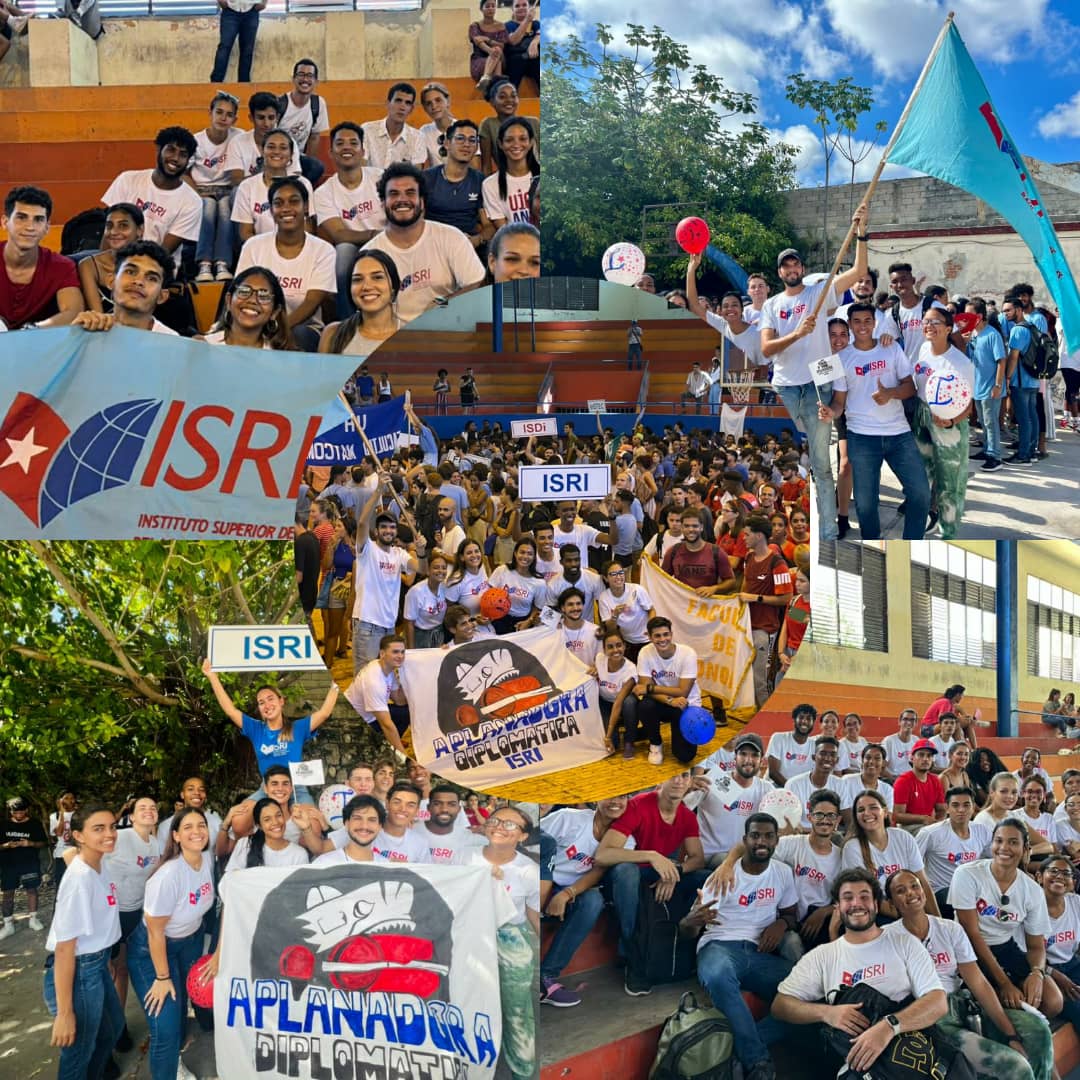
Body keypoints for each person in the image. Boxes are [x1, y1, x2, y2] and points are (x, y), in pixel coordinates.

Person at [772, 869, 948, 1076]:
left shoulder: (904, 942)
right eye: (848, 898)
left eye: (864, 897)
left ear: (876, 905)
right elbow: (780, 1005)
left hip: (915, 1053)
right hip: (861, 1067)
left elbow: (938, 1002)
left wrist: (889, 1027)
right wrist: (827, 1013)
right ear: (838, 907)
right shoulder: (822, 956)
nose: (856, 904)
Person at [885, 868, 1054, 1080]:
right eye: (901, 891)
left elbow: (978, 983)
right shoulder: (888, 938)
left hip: (963, 1004)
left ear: (924, 891)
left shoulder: (949, 929)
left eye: (914, 886)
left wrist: (1010, 1033)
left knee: (1038, 1031)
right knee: (1016, 1067)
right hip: (933, 1018)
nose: (910, 893)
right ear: (891, 903)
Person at [681, 813, 796, 1080]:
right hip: (719, 946)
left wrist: (781, 924)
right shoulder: (722, 876)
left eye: (768, 836)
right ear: (745, 840)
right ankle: (757, 1062)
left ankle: (738, 1048)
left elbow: (791, 914)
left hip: (760, 953)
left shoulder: (782, 872)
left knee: (809, 992)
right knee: (718, 976)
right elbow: (688, 930)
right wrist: (690, 921)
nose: (761, 841)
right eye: (755, 835)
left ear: (776, 841)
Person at [818, 303, 931, 539]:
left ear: (874, 323)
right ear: (851, 325)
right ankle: (871, 544)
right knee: (865, 505)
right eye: (857, 321)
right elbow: (839, 401)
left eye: (867, 321)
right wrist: (831, 412)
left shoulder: (891, 348)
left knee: (921, 494)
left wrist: (891, 393)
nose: (862, 326)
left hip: (898, 434)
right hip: (861, 436)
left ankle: (911, 544)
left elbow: (910, 387)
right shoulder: (840, 359)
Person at [593, 772, 706, 995]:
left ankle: (684, 947)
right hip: (630, 875)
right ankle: (633, 955)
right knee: (626, 871)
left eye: (684, 776)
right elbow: (603, 855)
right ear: (659, 779)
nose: (678, 781)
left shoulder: (686, 816)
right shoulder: (638, 805)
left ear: (690, 782)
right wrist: (652, 856)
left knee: (705, 878)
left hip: (659, 874)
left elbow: (697, 859)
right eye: (672, 775)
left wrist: (673, 872)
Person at [126, 807, 215, 1080]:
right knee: (165, 1026)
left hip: (190, 942)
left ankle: (174, 1060)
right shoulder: (167, 876)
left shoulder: (206, 859)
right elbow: (155, 932)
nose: (197, 831)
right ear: (175, 835)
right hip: (153, 950)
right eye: (188, 827)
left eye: (201, 825)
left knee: (180, 1010)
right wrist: (162, 977)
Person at [948, 819, 1063, 1023]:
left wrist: (1037, 973)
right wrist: (1005, 983)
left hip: (1005, 947)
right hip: (967, 948)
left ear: (1025, 849)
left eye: (1013, 842)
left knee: (1053, 1001)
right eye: (998, 841)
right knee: (1000, 1001)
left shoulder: (1032, 890)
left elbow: (1036, 946)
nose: (1004, 848)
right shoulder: (967, 874)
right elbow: (972, 934)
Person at [41, 804, 124, 1080]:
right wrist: (65, 1013)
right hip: (79, 969)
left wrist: (105, 959)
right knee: (79, 1051)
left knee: (111, 1031)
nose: (109, 834)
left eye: (112, 826)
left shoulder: (99, 863)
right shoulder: (79, 880)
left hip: (97, 962)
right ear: (78, 835)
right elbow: (65, 948)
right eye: (98, 829)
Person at [457, 806, 538, 1080]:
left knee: (516, 1011)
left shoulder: (528, 871)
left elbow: (534, 915)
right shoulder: (464, 857)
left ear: (523, 836)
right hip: (468, 938)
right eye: (496, 820)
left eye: (511, 825)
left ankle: (522, 1072)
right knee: (467, 1005)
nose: (500, 827)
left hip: (510, 942)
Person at [201, 658, 337, 814]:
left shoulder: (297, 728)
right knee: (239, 818)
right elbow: (231, 710)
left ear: (281, 701)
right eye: (261, 702)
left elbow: (324, 713)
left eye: (270, 699)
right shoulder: (255, 729)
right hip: (267, 788)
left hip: (296, 787)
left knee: (312, 820)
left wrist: (336, 684)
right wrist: (212, 676)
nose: (267, 705)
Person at [361, 163, 486, 322]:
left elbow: (478, 286)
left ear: (422, 201)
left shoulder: (451, 237)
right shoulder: (370, 254)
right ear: (383, 203)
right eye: (393, 194)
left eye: (410, 193)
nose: (402, 199)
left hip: (446, 327)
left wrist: (443, 303)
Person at [540, 796, 629, 1007]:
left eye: (622, 796)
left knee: (593, 900)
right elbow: (530, 843)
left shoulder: (627, 838)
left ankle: (545, 979)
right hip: (538, 881)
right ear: (596, 798)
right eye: (609, 794)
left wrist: (565, 894)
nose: (615, 801)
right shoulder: (568, 818)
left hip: (569, 891)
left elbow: (598, 871)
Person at [235, 176, 336, 351]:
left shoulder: (323, 250)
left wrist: (274, 330)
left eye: (294, 201)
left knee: (298, 334)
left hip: (303, 328)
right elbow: (241, 294)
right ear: (271, 210)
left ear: (306, 207)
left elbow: (312, 302)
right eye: (278, 203)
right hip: (255, 324)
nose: (286, 208)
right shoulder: (253, 246)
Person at [101, 794, 160, 1051]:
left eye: (153, 807)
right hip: (112, 913)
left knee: (122, 970)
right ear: (131, 816)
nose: (149, 810)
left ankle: (118, 1024)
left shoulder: (155, 844)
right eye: (142, 808)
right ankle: (107, 1032)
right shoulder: (121, 837)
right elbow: (75, 855)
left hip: (135, 913)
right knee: (109, 972)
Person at [911, 305, 976, 538]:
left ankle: (948, 530)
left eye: (935, 322)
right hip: (922, 415)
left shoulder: (960, 363)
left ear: (949, 329)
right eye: (926, 321)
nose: (929, 326)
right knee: (921, 475)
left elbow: (969, 405)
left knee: (950, 480)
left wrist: (951, 421)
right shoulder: (923, 349)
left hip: (949, 424)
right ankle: (927, 517)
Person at [314, 122, 387, 320]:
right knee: (343, 253)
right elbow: (339, 234)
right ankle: (348, 323)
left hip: (388, 240)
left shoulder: (380, 178)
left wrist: (385, 237)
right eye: (340, 143)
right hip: (355, 245)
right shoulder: (323, 193)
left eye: (353, 143)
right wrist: (374, 234)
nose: (347, 147)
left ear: (363, 151)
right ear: (331, 152)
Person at [102, 128, 202, 257]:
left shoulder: (192, 202)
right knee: (79, 261)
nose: (175, 158)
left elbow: (164, 252)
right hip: (115, 259)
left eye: (183, 154)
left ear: (188, 160)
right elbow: (109, 233)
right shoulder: (127, 180)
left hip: (154, 264)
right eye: (171, 150)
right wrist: (101, 264)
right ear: (159, 150)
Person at [0, 186, 83, 329]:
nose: (30, 227)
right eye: (21, 218)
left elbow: (73, 313)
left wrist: (34, 329)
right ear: (5, 222)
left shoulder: (61, 266)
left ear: (47, 227)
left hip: (38, 338)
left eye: (38, 220)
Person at [634, 616, 705, 766]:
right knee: (645, 706)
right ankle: (655, 743)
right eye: (657, 636)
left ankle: (679, 734)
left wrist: (651, 688)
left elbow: (683, 692)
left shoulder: (688, 653)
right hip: (665, 702)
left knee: (685, 756)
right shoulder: (645, 653)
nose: (662, 639)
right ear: (649, 637)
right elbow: (645, 687)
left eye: (666, 634)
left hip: (685, 704)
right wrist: (670, 700)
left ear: (671, 634)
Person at [737, 516, 794, 707]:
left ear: (759, 536)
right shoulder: (748, 558)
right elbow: (745, 586)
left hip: (766, 628)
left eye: (747, 534)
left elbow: (786, 598)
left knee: (760, 679)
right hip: (747, 624)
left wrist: (756, 598)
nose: (743, 538)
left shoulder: (777, 564)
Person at [71, 240, 179, 336]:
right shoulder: (90, 329)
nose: (138, 281)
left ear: (162, 296)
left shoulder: (173, 344)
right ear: (111, 281)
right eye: (130, 272)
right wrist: (75, 336)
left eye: (152, 278)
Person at [187, 92, 240, 283]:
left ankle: (223, 263)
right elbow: (184, 173)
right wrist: (196, 194)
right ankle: (204, 264)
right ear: (210, 113)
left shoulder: (239, 137)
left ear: (235, 119)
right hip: (201, 190)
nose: (223, 118)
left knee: (225, 207)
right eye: (219, 112)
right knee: (208, 207)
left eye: (229, 114)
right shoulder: (196, 141)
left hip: (227, 189)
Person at [231, 128, 314, 241]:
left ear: (291, 154)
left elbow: (308, 229)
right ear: (262, 151)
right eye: (271, 147)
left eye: (283, 148)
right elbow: (245, 233)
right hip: (260, 249)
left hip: (297, 247)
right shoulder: (247, 187)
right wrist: (266, 249)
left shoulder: (304, 184)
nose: (276, 152)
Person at [318, 249, 402, 356]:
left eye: (377, 277)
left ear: (393, 287)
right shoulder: (332, 334)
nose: (366, 286)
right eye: (357, 279)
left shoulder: (414, 336)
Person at [423, 118, 491, 251]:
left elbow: (488, 225)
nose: (466, 144)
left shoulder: (480, 180)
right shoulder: (427, 178)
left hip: (468, 246)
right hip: (433, 245)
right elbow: (417, 222)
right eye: (460, 138)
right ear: (447, 143)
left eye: (472, 140)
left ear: (476, 147)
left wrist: (476, 240)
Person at [200, 266, 294, 350]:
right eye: (244, 291)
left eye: (263, 296)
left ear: (274, 312)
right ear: (229, 301)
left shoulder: (283, 357)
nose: (252, 300)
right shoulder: (202, 346)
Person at [78, 202, 145, 312]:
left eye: (123, 226)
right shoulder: (88, 265)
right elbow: (97, 314)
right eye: (109, 226)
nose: (113, 232)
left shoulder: (150, 263)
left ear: (139, 230)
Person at [966, 297, 1007, 471]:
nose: (965, 318)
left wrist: (998, 385)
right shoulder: (973, 334)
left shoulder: (992, 334)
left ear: (979, 316)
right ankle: (986, 449)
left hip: (990, 388)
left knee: (991, 423)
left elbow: (1001, 361)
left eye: (969, 315)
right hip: (978, 386)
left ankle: (995, 456)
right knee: (983, 422)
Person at [1002, 293, 1042, 466]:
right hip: (1033, 379)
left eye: (1008, 310)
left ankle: (1023, 455)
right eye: (1004, 311)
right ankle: (1032, 452)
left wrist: (1007, 377)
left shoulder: (1018, 330)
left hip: (1020, 381)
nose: (1005, 314)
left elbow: (1013, 357)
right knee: (1032, 416)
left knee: (1024, 419)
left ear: (1018, 310)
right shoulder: (1032, 327)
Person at [0, 796, 48, 938]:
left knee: (32, 890)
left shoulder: (34, 824)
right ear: (10, 812)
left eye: (21, 812)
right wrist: (6, 845)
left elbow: (43, 843)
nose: (18, 815)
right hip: (8, 864)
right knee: (8, 893)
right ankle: (8, 925)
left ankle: (33, 920)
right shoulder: (3, 825)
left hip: (29, 862)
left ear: (26, 810)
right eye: (15, 812)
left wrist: (30, 843)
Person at [661, 508, 736, 598]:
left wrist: (714, 588)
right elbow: (662, 579)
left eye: (695, 526)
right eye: (686, 526)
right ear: (682, 527)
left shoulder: (716, 552)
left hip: (706, 604)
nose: (690, 529)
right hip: (680, 603)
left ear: (701, 527)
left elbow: (731, 582)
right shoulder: (673, 551)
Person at [223, 796, 308, 873]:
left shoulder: (299, 854)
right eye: (267, 819)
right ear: (259, 826)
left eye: (278, 815)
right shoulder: (245, 844)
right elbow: (232, 878)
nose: (275, 822)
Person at [278, 59, 329, 184]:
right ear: (293, 79)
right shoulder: (281, 103)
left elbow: (314, 137)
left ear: (316, 81)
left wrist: (309, 162)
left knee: (316, 167)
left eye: (310, 76)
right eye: (301, 74)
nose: (305, 79)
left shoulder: (318, 103)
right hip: (278, 154)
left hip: (299, 157)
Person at [482, 116, 538, 229]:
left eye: (522, 139)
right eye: (509, 140)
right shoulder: (490, 185)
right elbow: (504, 231)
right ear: (500, 144)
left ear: (531, 142)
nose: (516, 144)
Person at [361, 83, 428, 169]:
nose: (402, 107)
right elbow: (361, 168)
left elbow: (416, 173)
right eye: (398, 101)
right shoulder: (367, 130)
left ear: (411, 109)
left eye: (407, 103)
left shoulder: (417, 137)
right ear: (387, 104)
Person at [596, 561, 654, 660]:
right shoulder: (604, 597)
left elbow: (651, 610)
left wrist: (650, 628)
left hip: (646, 639)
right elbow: (611, 629)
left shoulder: (637, 589)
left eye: (620, 572)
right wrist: (615, 615)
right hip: (626, 642)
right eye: (613, 574)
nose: (618, 577)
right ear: (605, 578)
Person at [308, 795, 385, 866]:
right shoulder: (324, 863)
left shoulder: (386, 865)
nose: (364, 826)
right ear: (347, 823)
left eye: (371, 820)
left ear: (380, 826)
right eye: (357, 818)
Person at [488, 539, 545, 634]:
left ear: (534, 557)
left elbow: (537, 608)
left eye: (530, 554)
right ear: (515, 553)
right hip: (499, 619)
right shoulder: (502, 570)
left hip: (522, 621)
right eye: (522, 552)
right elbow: (489, 593)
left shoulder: (539, 582)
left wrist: (529, 621)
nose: (525, 556)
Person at [837, 743, 894, 829]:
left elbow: (888, 817)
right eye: (868, 757)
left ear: (883, 763)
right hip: (849, 828)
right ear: (862, 761)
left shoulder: (887, 789)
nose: (871, 761)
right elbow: (843, 814)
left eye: (877, 758)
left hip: (876, 829)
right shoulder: (847, 781)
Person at [892, 738, 946, 828]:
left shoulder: (935, 780)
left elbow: (942, 810)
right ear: (912, 758)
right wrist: (923, 819)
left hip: (928, 826)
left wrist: (938, 824)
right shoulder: (903, 781)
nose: (925, 759)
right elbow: (897, 816)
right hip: (907, 827)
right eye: (921, 755)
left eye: (929, 756)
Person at [209, 0, 264, 83]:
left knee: (247, 50)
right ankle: (215, 83)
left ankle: (244, 84)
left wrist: (264, 2)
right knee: (224, 47)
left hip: (252, 10)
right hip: (230, 10)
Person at [403, 550, 448, 648]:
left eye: (444, 568)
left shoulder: (446, 587)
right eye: (436, 567)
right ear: (428, 571)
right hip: (419, 634)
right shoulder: (415, 592)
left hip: (438, 632)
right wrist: (411, 650)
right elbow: (409, 623)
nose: (440, 571)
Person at [469, 0, 507, 90]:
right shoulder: (475, 26)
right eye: (487, 6)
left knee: (497, 50)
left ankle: (486, 77)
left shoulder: (501, 26)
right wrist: (490, 50)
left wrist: (488, 39)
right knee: (497, 60)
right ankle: (497, 88)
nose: (490, 8)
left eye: (493, 6)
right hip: (480, 59)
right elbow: (477, 40)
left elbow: (502, 45)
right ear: (481, 9)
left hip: (500, 56)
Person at [503, 0, 540, 90]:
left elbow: (541, 34)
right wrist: (527, 20)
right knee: (517, 60)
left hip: (534, 60)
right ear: (512, 9)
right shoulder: (508, 25)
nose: (521, 8)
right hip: (516, 61)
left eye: (524, 5)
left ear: (529, 7)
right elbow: (514, 41)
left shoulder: (536, 23)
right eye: (517, 6)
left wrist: (534, 42)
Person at [49, 791, 77, 892]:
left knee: (77, 883)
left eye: (72, 798)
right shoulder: (55, 816)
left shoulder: (80, 814)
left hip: (78, 853)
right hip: (61, 854)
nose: (70, 801)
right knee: (61, 883)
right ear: (60, 800)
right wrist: (62, 812)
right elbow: (59, 833)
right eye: (66, 798)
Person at [881, 708, 919, 781]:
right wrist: (895, 779)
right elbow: (881, 767)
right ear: (899, 722)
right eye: (905, 719)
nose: (909, 723)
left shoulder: (916, 740)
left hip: (911, 779)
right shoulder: (889, 741)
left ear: (916, 723)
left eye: (912, 720)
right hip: (893, 779)